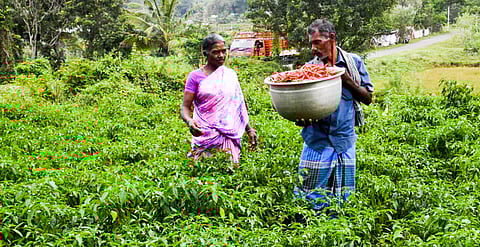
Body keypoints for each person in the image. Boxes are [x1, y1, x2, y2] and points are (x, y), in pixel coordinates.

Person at [294, 19, 374, 213]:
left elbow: (368, 97)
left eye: (318, 42)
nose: (313, 48)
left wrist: (346, 79)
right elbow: (299, 105)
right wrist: (301, 117)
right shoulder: (309, 70)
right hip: (317, 141)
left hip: (343, 141)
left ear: (332, 38)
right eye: (311, 43)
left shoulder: (353, 63)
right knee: (309, 197)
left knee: (343, 198)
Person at [180, 33, 257, 165]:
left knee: (230, 171)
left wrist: (249, 129)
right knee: (203, 173)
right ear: (206, 53)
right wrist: (189, 121)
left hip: (229, 134)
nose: (221, 55)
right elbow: (185, 106)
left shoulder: (230, 75)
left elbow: (238, 105)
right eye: (216, 52)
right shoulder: (195, 77)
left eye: (223, 51)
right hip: (204, 134)